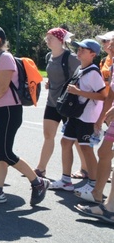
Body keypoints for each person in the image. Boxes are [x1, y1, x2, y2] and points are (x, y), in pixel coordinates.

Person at [0, 25, 50, 205]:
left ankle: (38, 183)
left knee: (6, 152)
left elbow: (2, 87)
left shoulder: (5, 58)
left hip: (8, 111)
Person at [49, 39, 105, 196]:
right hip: (76, 114)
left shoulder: (93, 72)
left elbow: (103, 95)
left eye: (83, 50)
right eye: (79, 48)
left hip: (87, 117)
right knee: (65, 142)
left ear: (92, 54)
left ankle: (93, 184)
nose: (79, 51)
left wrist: (78, 92)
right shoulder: (81, 68)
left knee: (86, 149)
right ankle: (66, 180)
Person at [34, 28, 81, 178]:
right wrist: (50, 83)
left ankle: (86, 169)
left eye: (51, 38)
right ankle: (41, 169)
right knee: (48, 135)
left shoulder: (71, 57)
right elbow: (54, 75)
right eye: (46, 37)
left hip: (68, 103)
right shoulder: (49, 56)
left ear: (61, 40)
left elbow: (81, 76)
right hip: (52, 102)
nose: (47, 40)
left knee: (75, 139)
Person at [77, 33, 114, 204]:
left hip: (106, 111)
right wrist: (103, 116)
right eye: (107, 42)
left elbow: (103, 94)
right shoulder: (109, 64)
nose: (108, 45)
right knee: (103, 152)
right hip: (110, 113)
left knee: (102, 152)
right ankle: (98, 194)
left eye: (111, 42)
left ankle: (101, 197)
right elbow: (110, 95)